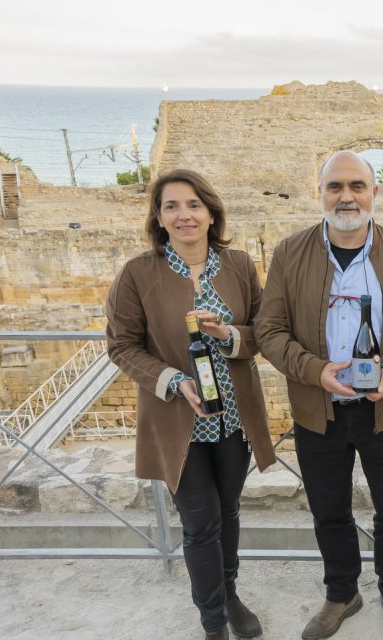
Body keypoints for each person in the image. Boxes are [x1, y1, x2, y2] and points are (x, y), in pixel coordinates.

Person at [254, 151, 383, 640]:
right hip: (319, 410)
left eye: (357, 185)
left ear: (374, 194)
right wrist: (315, 371)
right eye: (335, 186)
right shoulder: (289, 253)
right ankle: (342, 593)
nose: (346, 196)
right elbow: (269, 330)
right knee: (329, 509)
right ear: (320, 194)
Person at [106, 169, 275, 640]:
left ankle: (230, 592)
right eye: (172, 207)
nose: (184, 215)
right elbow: (121, 345)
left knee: (229, 512)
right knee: (200, 522)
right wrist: (174, 379)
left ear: (211, 213)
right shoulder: (139, 273)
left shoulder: (239, 265)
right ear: (158, 218)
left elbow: (262, 332)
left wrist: (230, 335)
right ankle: (212, 620)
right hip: (179, 423)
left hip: (234, 421)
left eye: (193, 205)